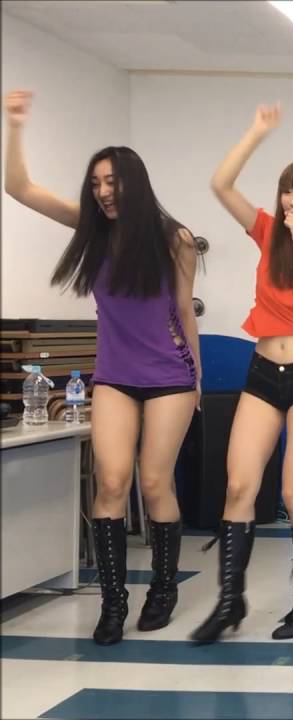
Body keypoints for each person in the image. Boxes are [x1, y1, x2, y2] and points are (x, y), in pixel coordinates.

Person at [4, 89, 201, 646]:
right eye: (95, 184)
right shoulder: (92, 231)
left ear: (134, 184)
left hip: (170, 378)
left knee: (155, 481)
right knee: (112, 480)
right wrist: (14, 125)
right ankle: (113, 602)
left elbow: (185, 311)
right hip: (114, 376)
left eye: (112, 182)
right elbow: (19, 187)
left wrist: (198, 381)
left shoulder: (176, 240)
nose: (103, 193)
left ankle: (163, 589)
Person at [191, 103, 293, 644]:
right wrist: (256, 132)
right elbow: (221, 184)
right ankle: (229, 602)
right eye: (288, 190)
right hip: (263, 371)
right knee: (239, 484)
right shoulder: (265, 230)